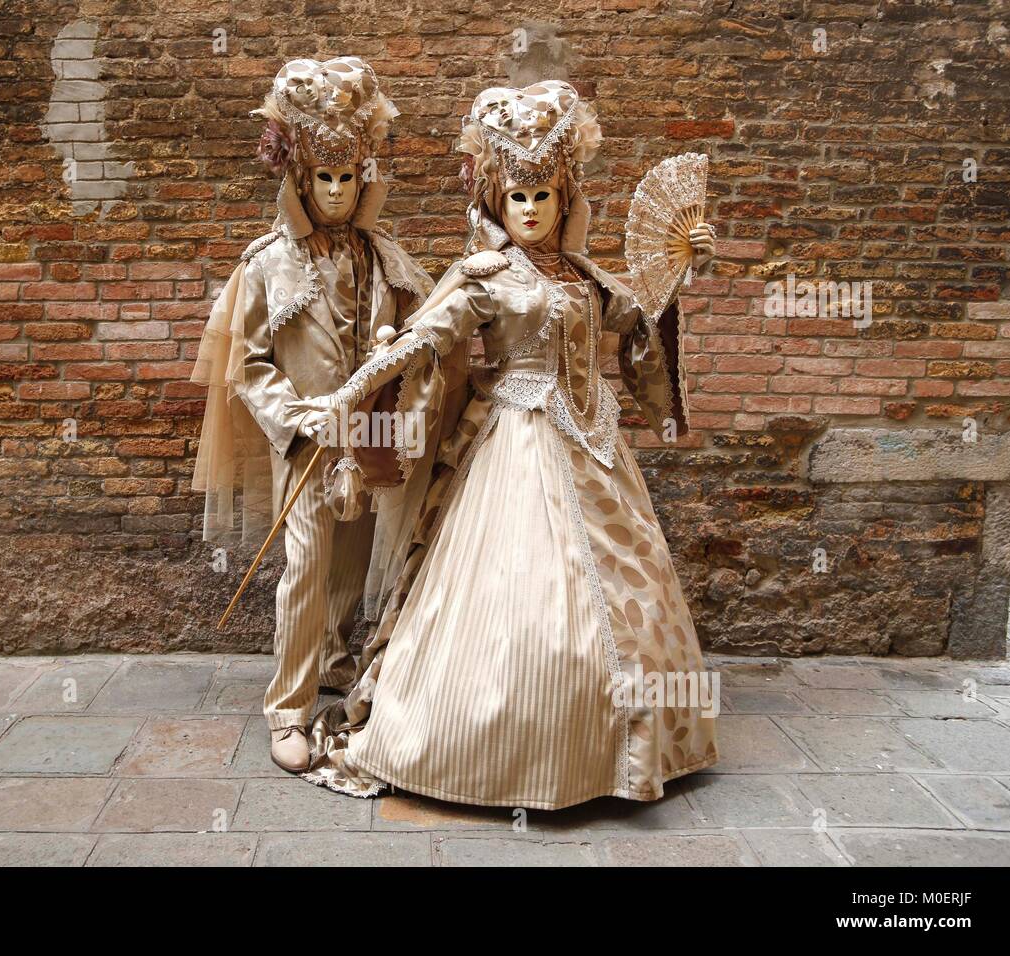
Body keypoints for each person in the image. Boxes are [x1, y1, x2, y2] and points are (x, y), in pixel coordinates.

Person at [287, 81, 719, 809]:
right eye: (516, 196)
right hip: (516, 446)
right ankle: (499, 743)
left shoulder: (581, 274)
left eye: (542, 196)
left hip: (594, 446)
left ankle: (625, 745)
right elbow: (426, 335)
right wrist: (353, 388)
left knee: (623, 592)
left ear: (562, 197)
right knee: (515, 598)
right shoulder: (486, 276)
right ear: (496, 198)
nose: (529, 210)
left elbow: (636, 319)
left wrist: (684, 268)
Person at [190, 58, 433, 772]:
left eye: (346, 177)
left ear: (364, 177)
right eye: (321, 178)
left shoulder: (386, 257)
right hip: (303, 436)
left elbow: (425, 334)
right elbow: (249, 364)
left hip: (372, 434)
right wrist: (301, 419)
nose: (334, 192)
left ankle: (334, 658)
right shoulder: (268, 264)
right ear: (300, 178)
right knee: (305, 561)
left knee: (355, 553)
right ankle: (287, 709)